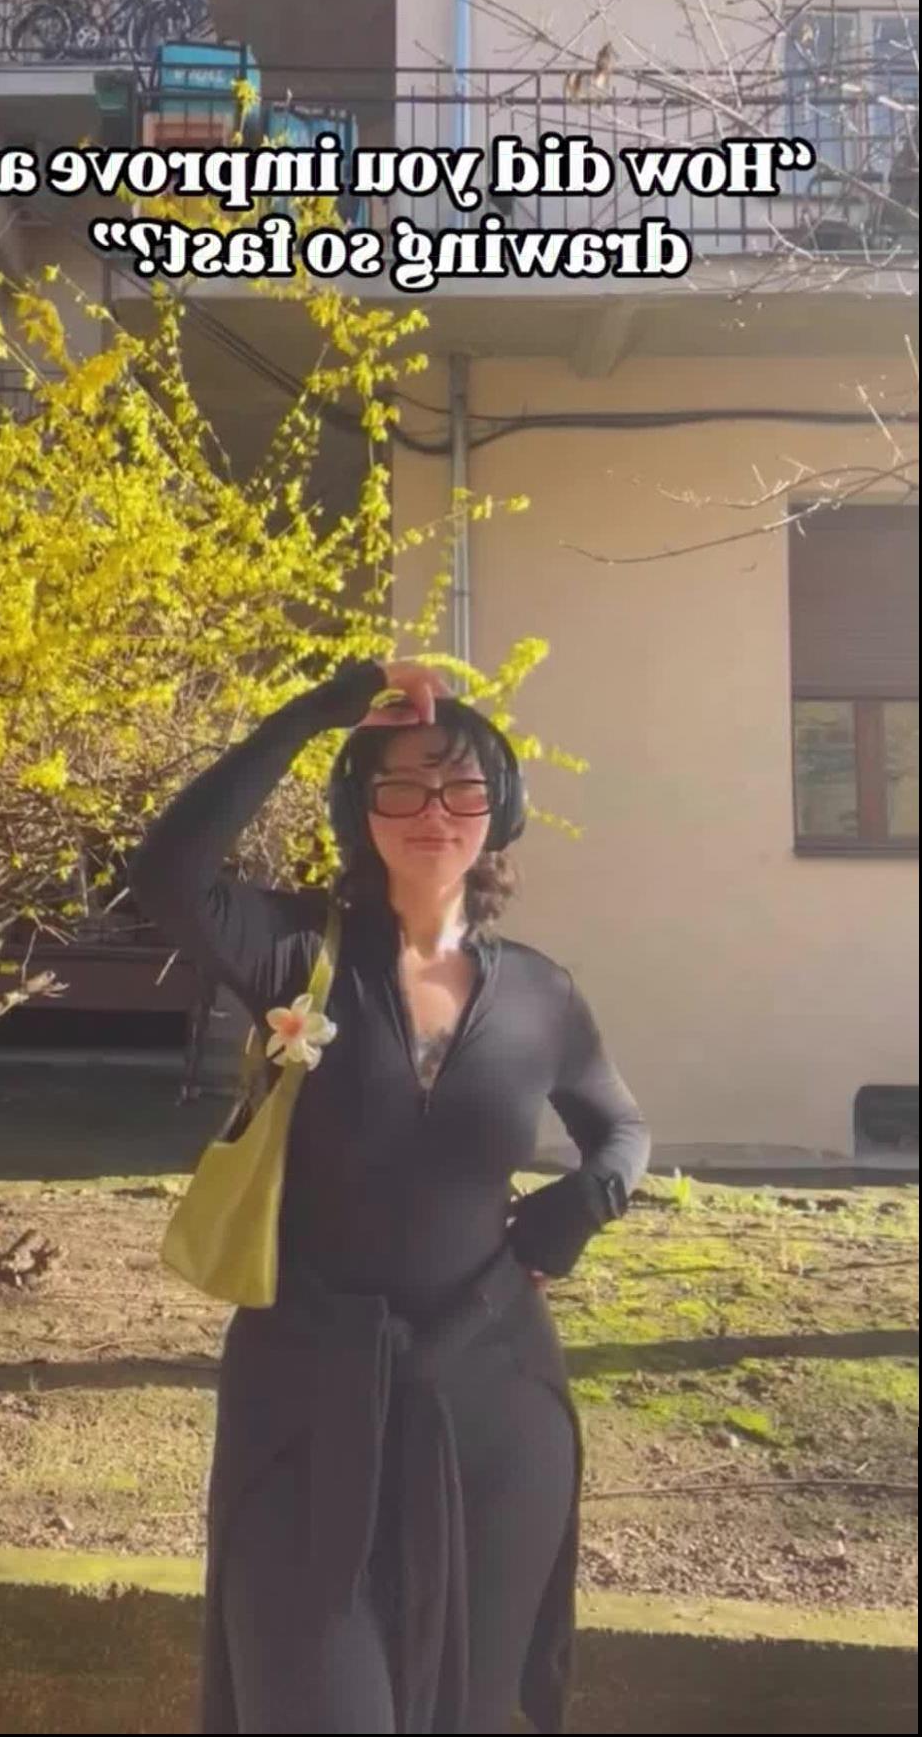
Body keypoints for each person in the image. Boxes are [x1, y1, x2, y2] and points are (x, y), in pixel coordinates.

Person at [129, 657, 652, 1736]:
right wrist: (313, 712)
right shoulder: (292, 956)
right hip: (306, 1393)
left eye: (462, 786)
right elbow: (168, 869)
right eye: (400, 786)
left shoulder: (542, 994)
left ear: (497, 811)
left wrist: (587, 1198)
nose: (433, 811)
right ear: (356, 807)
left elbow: (622, 1127)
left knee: (459, 1709)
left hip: (490, 1399)